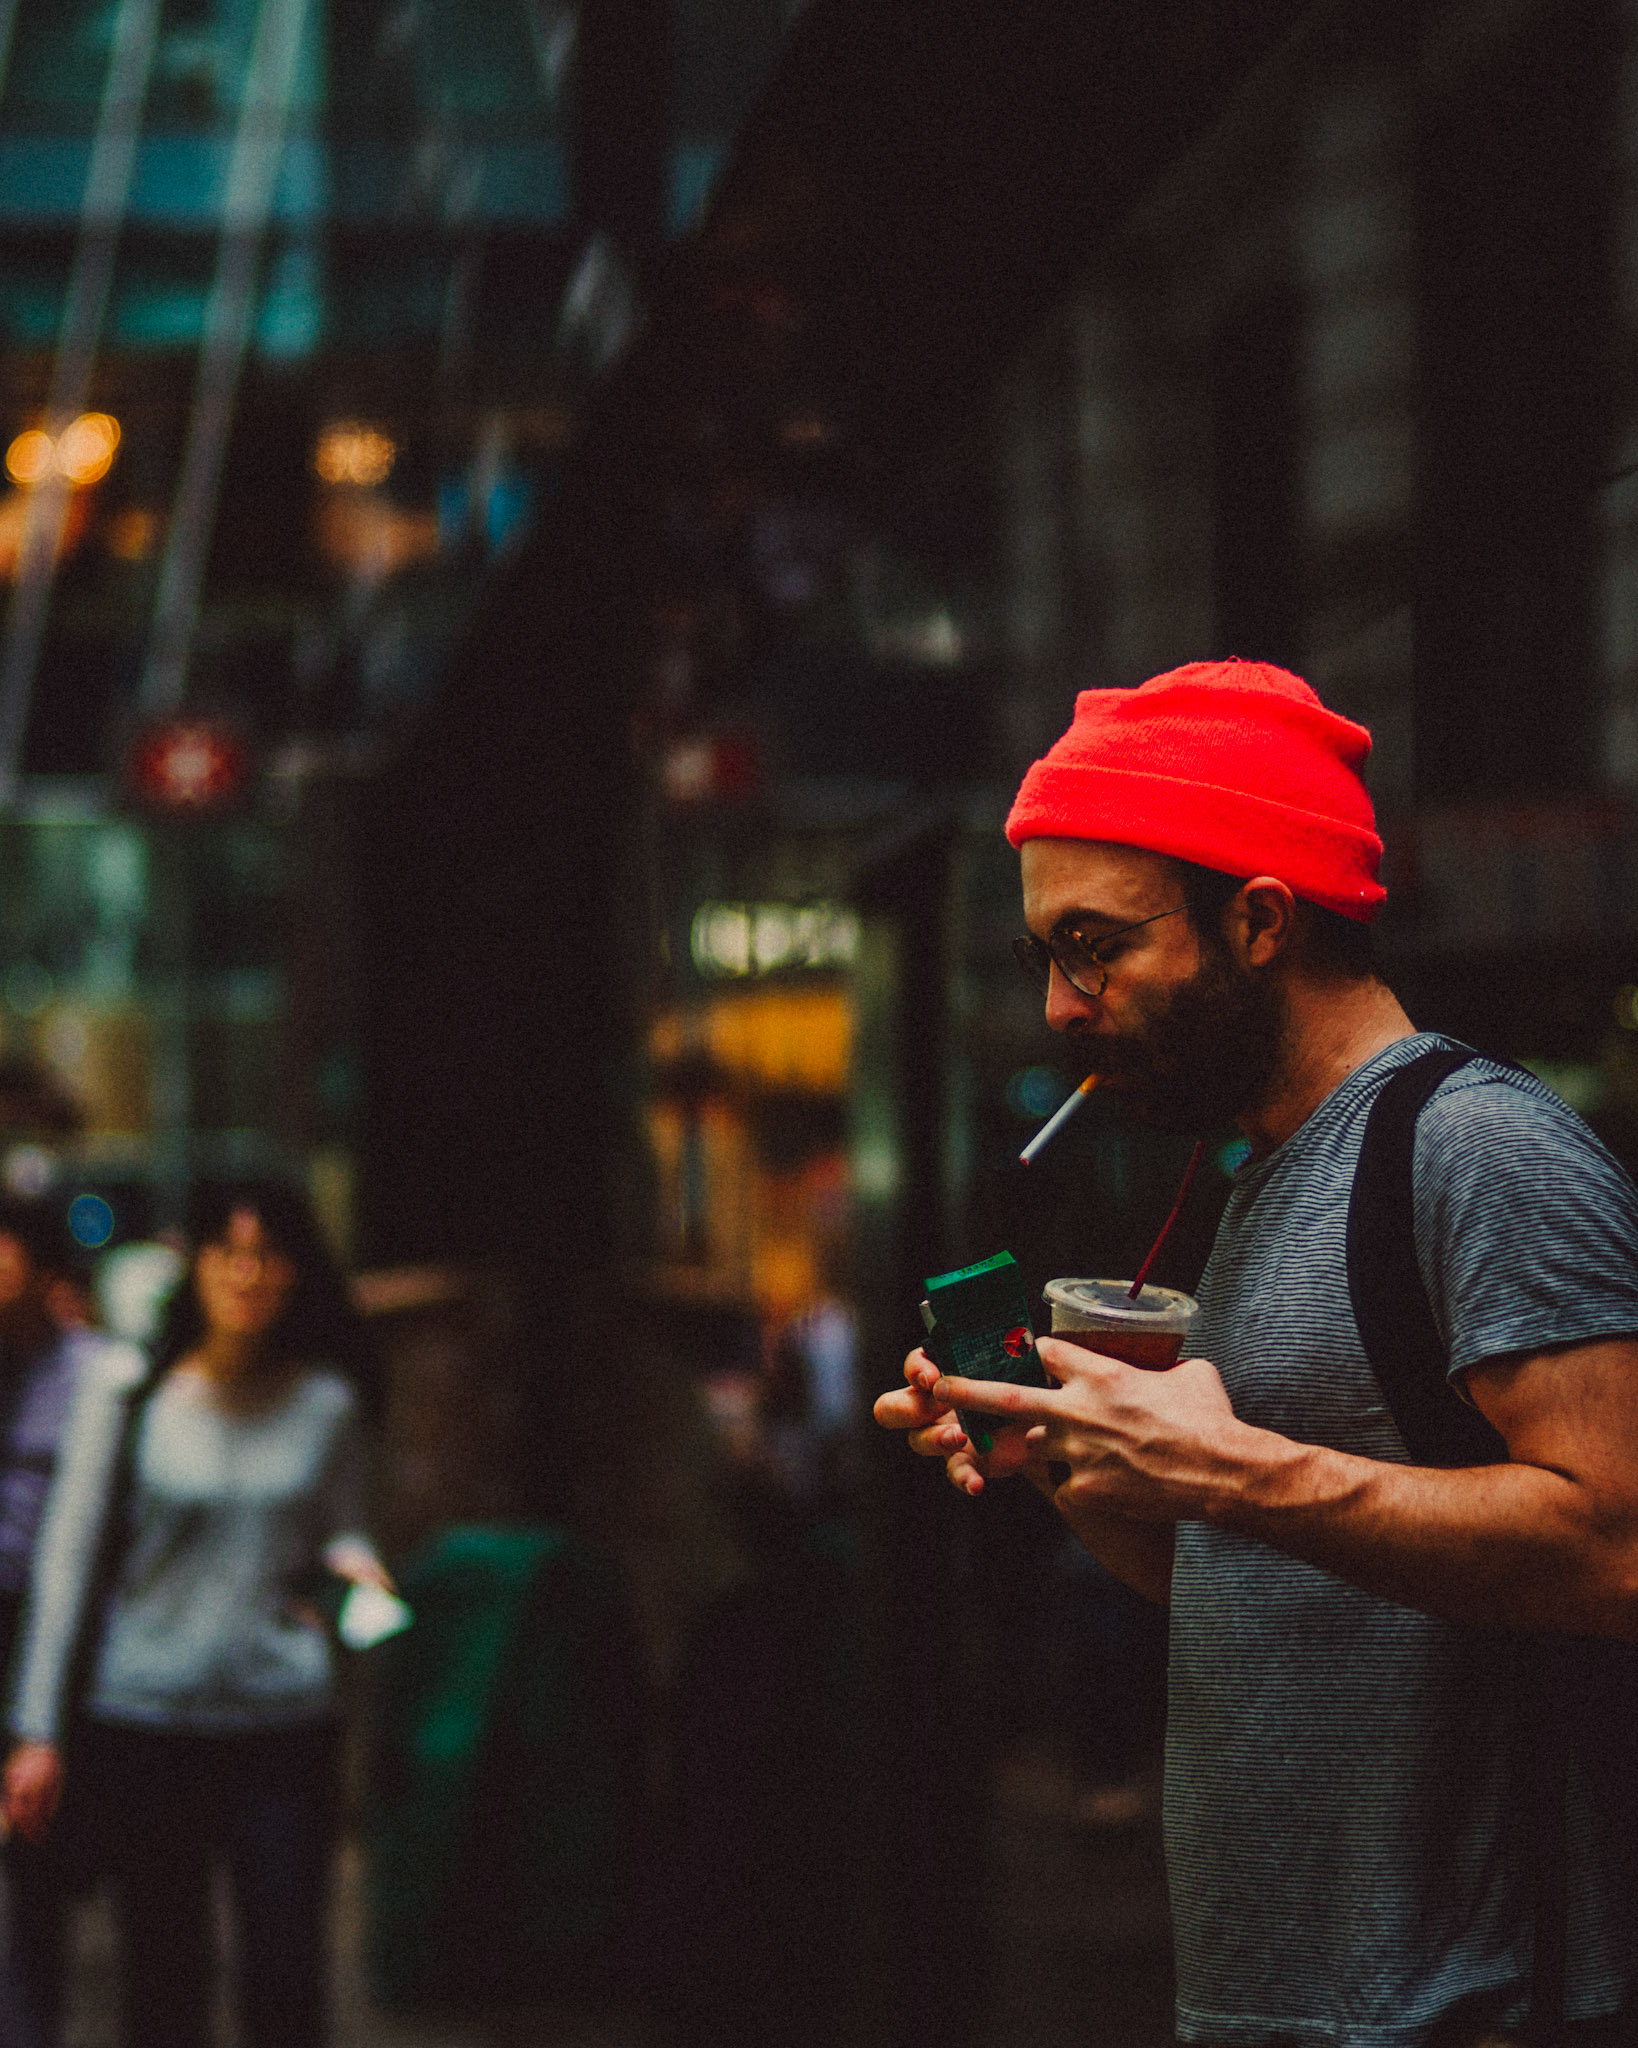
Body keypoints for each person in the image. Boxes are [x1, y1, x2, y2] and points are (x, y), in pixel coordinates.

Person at [875, 659, 1638, 2048]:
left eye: (1094, 944)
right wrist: (1070, 1459)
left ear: (1260, 918)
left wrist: (1231, 1471)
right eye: (1043, 955)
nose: (1060, 1004)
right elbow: (1257, 1584)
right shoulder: (1265, 1178)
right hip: (1283, 2006)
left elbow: (1617, 1550)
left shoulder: (1476, 1149)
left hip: (1476, 2008)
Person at [2, 1180, 392, 2048]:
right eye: (227, 1253)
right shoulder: (127, 1389)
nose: (246, 1274)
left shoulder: (327, 1405)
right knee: (164, 1985)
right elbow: (65, 1565)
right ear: (198, 1266)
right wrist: (36, 1731)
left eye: (267, 1255)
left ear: (297, 1273)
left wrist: (353, 1575)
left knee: (285, 1978)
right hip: (147, 1721)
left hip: (281, 1722)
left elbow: (342, 1531)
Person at [0, 1196, 142, 2048]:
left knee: (39, 1873)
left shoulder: (99, 1376)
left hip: (57, 1631)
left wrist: (37, 1725)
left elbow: (73, 1556)